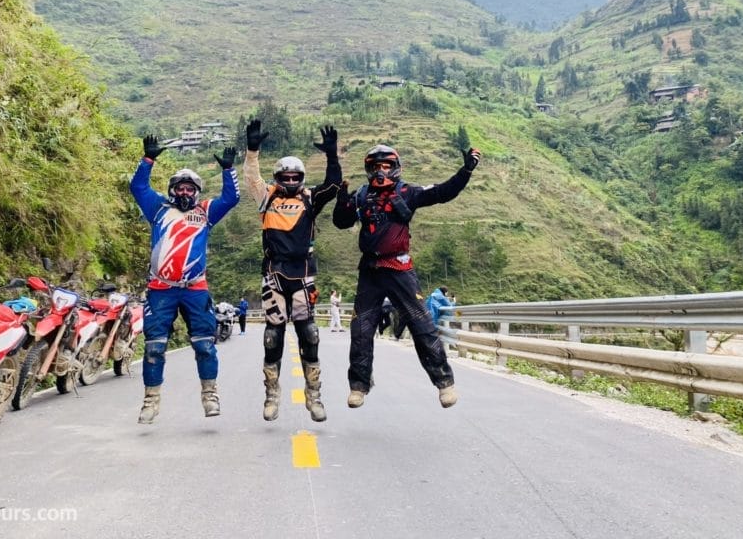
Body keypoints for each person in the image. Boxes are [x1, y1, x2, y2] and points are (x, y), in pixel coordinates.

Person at [332, 142, 481, 410]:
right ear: (368, 169)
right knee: (361, 330)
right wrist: (342, 202)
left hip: (400, 269)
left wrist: (466, 171)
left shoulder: (407, 192)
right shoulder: (361, 195)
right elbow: (341, 222)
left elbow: (442, 192)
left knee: (422, 326)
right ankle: (358, 386)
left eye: (386, 166)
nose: (381, 171)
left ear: (396, 168)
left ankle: (444, 383)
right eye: (376, 166)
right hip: (370, 271)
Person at [130, 134, 240, 424]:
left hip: (195, 289)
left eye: (190, 189)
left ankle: (210, 395)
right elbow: (138, 187)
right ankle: (150, 401)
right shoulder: (157, 210)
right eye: (180, 187)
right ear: (171, 190)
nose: (184, 193)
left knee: (204, 345)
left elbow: (232, 198)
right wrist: (148, 160)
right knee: (154, 349)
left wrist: (228, 170)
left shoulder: (205, 212)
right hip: (160, 289)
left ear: (197, 192)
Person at [242, 119, 341, 423]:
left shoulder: (310, 198)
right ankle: (272, 394)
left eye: (294, 176)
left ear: (301, 177)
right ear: (277, 177)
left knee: (309, 333)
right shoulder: (267, 196)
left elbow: (334, 186)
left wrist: (332, 155)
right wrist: (252, 149)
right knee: (272, 336)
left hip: (303, 273)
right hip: (274, 273)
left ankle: (315, 396)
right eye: (284, 176)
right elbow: (251, 177)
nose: (289, 180)